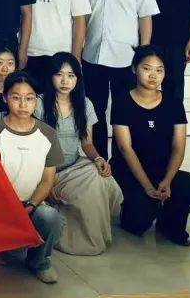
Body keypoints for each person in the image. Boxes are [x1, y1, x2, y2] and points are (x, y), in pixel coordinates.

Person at [80, 0, 160, 158]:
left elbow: (145, 16)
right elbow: (80, 17)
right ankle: (100, 159)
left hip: (126, 57)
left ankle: (122, 158)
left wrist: (144, 52)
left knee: (123, 110)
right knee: (95, 110)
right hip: (92, 55)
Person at [111, 46, 190, 246]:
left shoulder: (173, 103)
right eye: (147, 69)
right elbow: (125, 148)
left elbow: (178, 147)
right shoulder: (122, 102)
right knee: (138, 222)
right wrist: (147, 187)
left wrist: (167, 181)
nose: (153, 75)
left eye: (159, 70)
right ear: (134, 69)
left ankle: (169, 225)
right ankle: (137, 208)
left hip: (161, 169)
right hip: (130, 171)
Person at [34, 52, 123, 256]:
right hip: (48, 170)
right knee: (93, 184)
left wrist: (98, 158)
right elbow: (35, 148)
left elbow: (87, 143)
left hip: (74, 165)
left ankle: (95, 234)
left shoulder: (85, 103)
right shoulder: (38, 103)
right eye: (59, 74)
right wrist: (45, 183)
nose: (65, 81)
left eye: (71, 75)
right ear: (50, 76)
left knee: (100, 177)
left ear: (78, 78)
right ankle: (77, 238)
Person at [0, 71, 66, 284]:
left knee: (51, 217)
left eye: (29, 98)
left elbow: (47, 180)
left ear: (36, 100)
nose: (23, 105)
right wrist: (11, 209)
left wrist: (30, 205)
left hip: (31, 204)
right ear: (5, 98)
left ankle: (39, 261)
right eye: (16, 97)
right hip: (0, 206)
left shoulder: (48, 134)